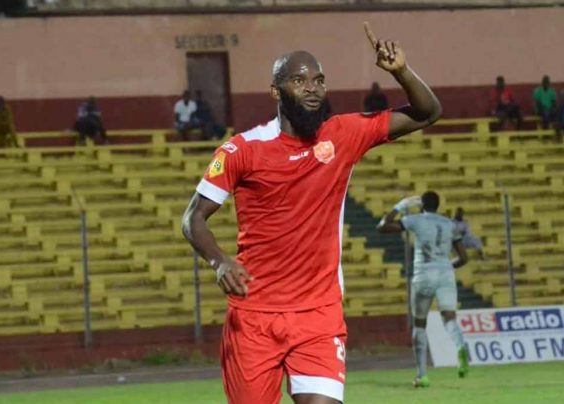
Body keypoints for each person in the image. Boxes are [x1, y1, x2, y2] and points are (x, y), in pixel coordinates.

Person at [182, 22, 442, 404]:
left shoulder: (343, 134)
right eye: (299, 81)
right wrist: (219, 261)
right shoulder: (242, 151)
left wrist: (400, 71)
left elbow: (428, 113)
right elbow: (192, 219)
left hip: (319, 315)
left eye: (319, 80)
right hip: (255, 316)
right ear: (276, 91)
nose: (312, 88)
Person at [377, 192, 469, 388]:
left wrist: (400, 206)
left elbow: (383, 227)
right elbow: (463, 258)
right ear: (438, 205)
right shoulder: (449, 224)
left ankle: (422, 375)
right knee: (449, 318)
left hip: (424, 274)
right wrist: (446, 266)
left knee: (419, 325)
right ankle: (461, 345)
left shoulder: (415, 220)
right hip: (446, 274)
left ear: (422, 205)